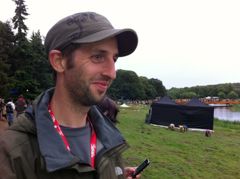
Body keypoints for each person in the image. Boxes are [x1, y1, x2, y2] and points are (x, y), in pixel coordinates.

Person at [0, 12, 139, 179]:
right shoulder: (12, 154)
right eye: (98, 57)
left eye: (114, 59)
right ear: (59, 61)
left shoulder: (109, 137)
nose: (112, 73)